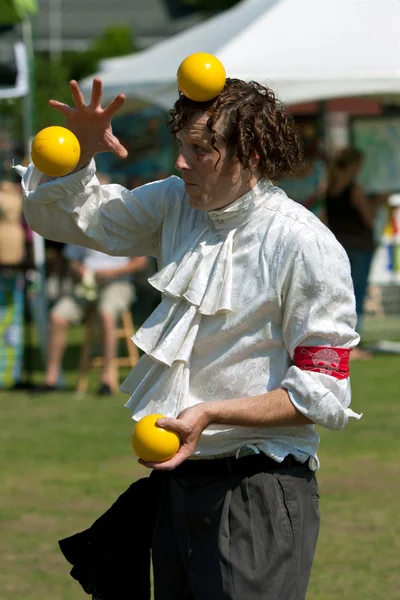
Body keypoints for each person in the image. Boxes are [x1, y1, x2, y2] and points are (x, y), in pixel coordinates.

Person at [16, 76, 361, 600]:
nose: (182, 163)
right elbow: (74, 220)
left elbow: (322, 393)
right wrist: (80, 151)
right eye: (182, 146)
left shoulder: (305, 243)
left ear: (253, 152)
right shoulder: (176, 205)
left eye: (201, 150)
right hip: (177, 486)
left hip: (259, 488)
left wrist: (211, 413)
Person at [35, 243, 147, 395]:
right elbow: (71, 260)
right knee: (57, 317)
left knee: (106, 314)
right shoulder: (83, 225)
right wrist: (81, 271)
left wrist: (113, 272)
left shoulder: (126, 221)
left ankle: (107, 378)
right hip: (87, 284)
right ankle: (51, 379)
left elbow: (141, 262)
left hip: (118, 282)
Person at [325, 147, 388, 360]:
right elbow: (368, 218)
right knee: (357, 295)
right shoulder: (355, 189)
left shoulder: (329, 187)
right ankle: (353, 346)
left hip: (338, 246)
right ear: (354, 166)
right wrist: (377, 204)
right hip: (360, 247)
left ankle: (340, 342)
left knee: (340, 295)